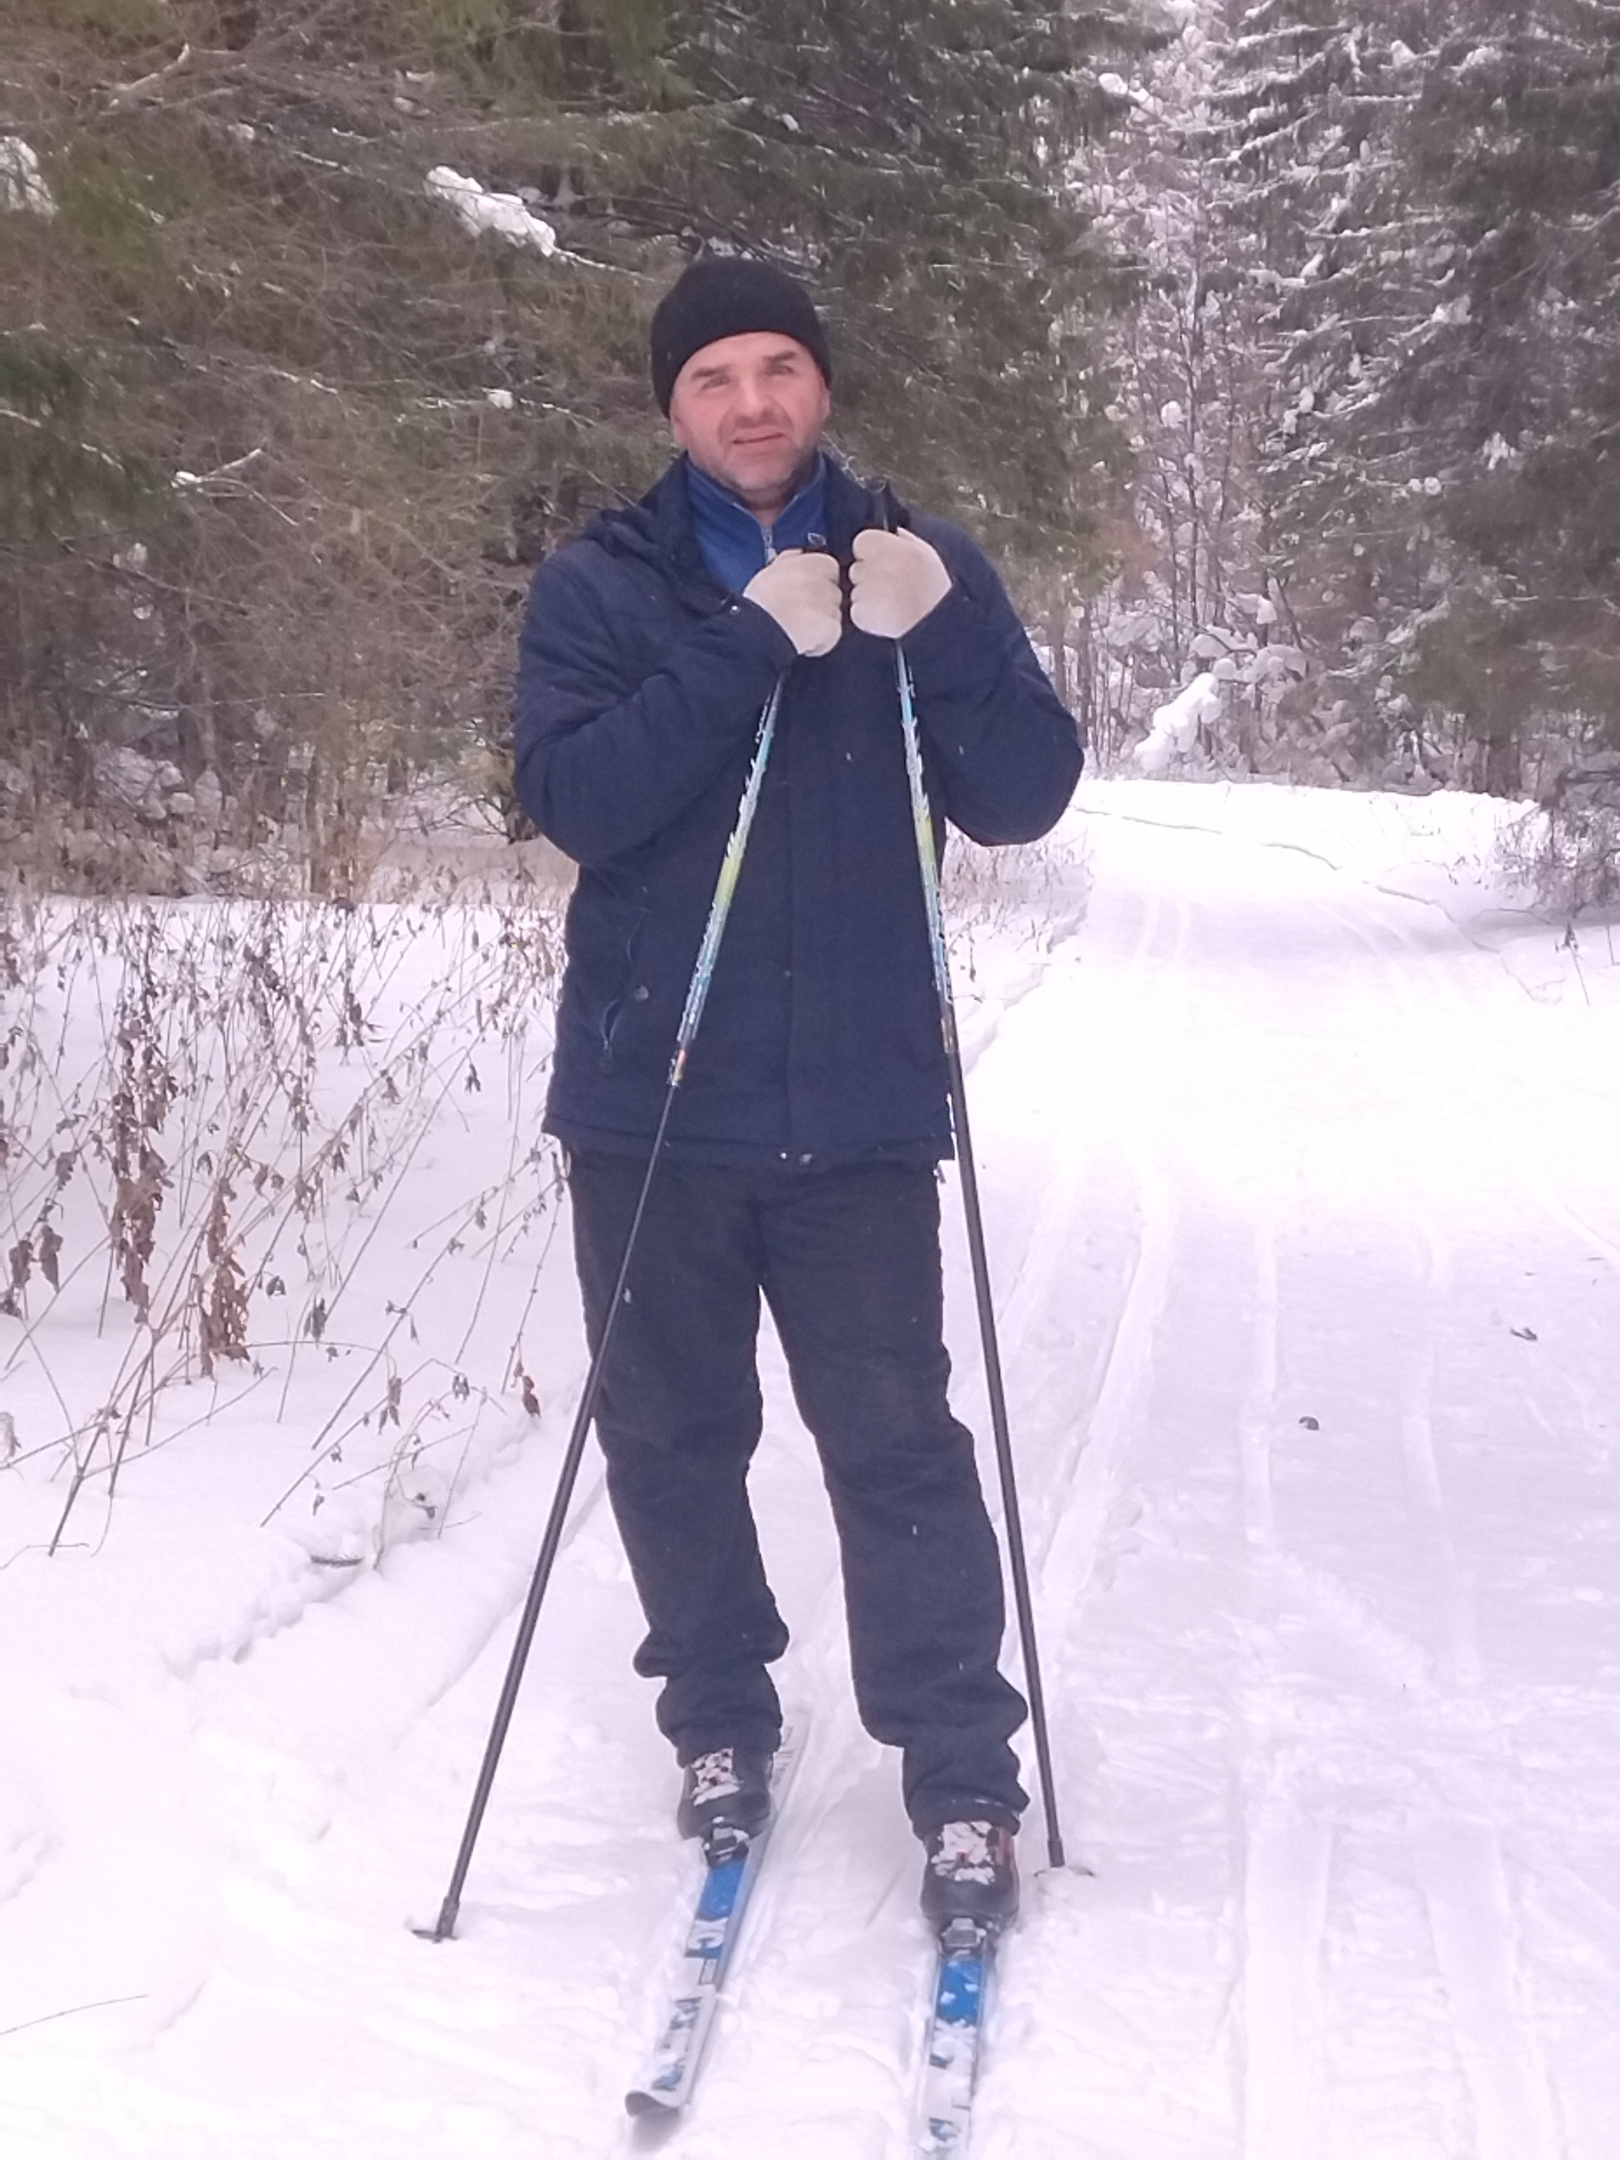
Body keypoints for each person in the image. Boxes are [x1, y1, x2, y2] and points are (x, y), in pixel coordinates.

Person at [514, 256, 1082, 1931]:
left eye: (779, 368)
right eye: (715, 379)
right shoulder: (603, 588)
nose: (752, 402)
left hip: (859, 1109)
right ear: (672, 408)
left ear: (820, 385)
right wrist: (747, 649)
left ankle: (964, 1779)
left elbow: (1027, 794)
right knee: (673, 1437)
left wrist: (953, 630)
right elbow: (583, 802)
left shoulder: (922, 566)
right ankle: (717, 1725)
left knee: (895, 1444)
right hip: (651, 1103)